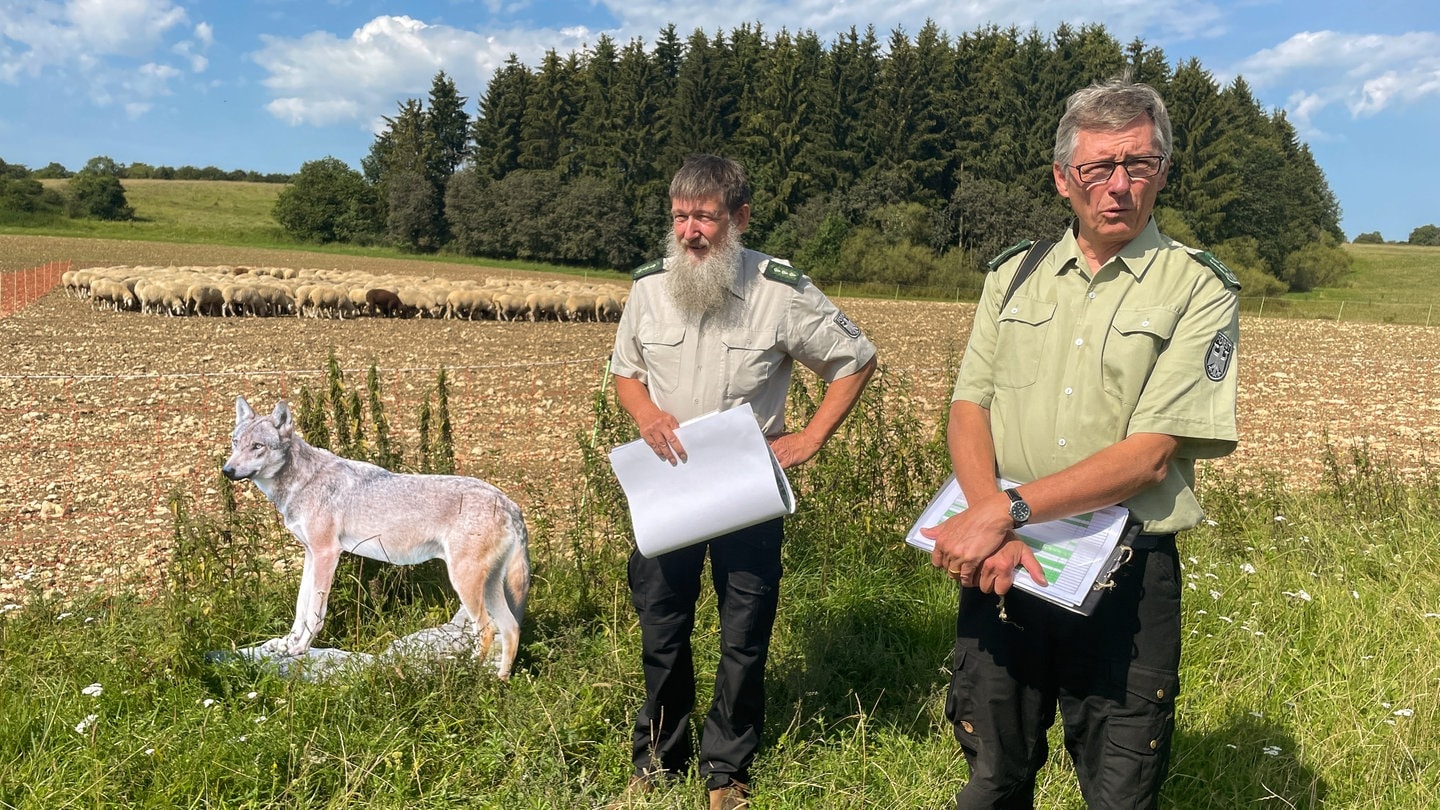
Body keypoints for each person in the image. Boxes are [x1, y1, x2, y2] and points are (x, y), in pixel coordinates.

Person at [920, 75, 1240, 809]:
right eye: (1099, 167)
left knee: (1119, 791)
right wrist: (987, 518)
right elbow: (971, 405)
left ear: (1163, 171)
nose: (1119, 186)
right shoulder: (1014, 274)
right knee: (994, 777)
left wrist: (1007, 512)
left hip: (1125, 570)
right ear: (1064, 179)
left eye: (1140, 164)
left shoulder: (1198, 288)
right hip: (1002, 566)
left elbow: (1150, 454)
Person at [609, 154, 877, 809]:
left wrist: (811, 437)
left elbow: (856, 359)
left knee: (744, 631)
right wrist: (644, 412)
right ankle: (657, 763)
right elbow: (626, 370)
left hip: (746, 492)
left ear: (740, 218)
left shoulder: (780, 291)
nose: (689, 232)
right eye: (679, 217)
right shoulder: (649, 287)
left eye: (704, 216)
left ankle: (726, 772)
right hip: (668, 487)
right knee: (662, 627)